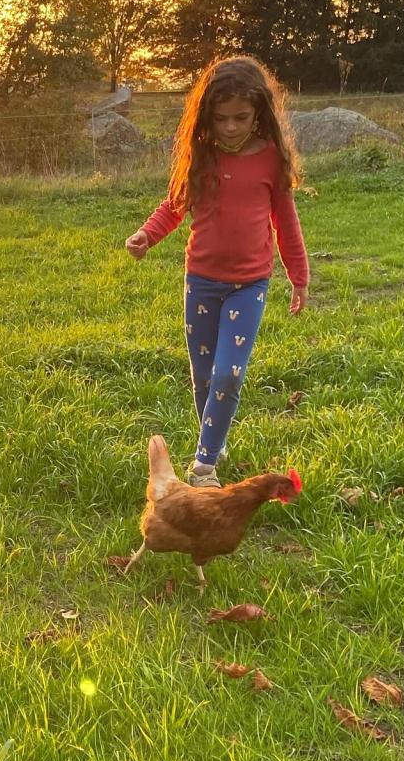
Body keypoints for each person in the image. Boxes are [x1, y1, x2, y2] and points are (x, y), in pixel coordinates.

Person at [125, 57, 309, 487]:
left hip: (250, 285)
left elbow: (287, 221)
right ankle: (216, 438)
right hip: (201, 283)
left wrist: (298, 276)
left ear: (259, 112)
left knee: (229, 373)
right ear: (207, 116)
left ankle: (204, 466)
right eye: (220, 118)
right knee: (204, 376)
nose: (230, 127)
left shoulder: (270, 160)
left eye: (240, 118)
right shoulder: (200, 156)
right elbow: (173, 207)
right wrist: (146, 236)